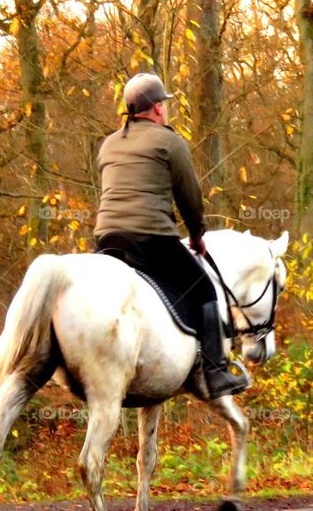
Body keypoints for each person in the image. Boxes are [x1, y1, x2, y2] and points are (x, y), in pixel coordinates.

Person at [93, 72, 249, 399]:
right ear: (158, 109)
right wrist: (196, 235)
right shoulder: (169, 141)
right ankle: (216, 372)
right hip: (151, 239)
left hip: (107, 240)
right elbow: (189, 196)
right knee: (204, 289)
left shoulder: (108, 143)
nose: (166, 108)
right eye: (164, 103)